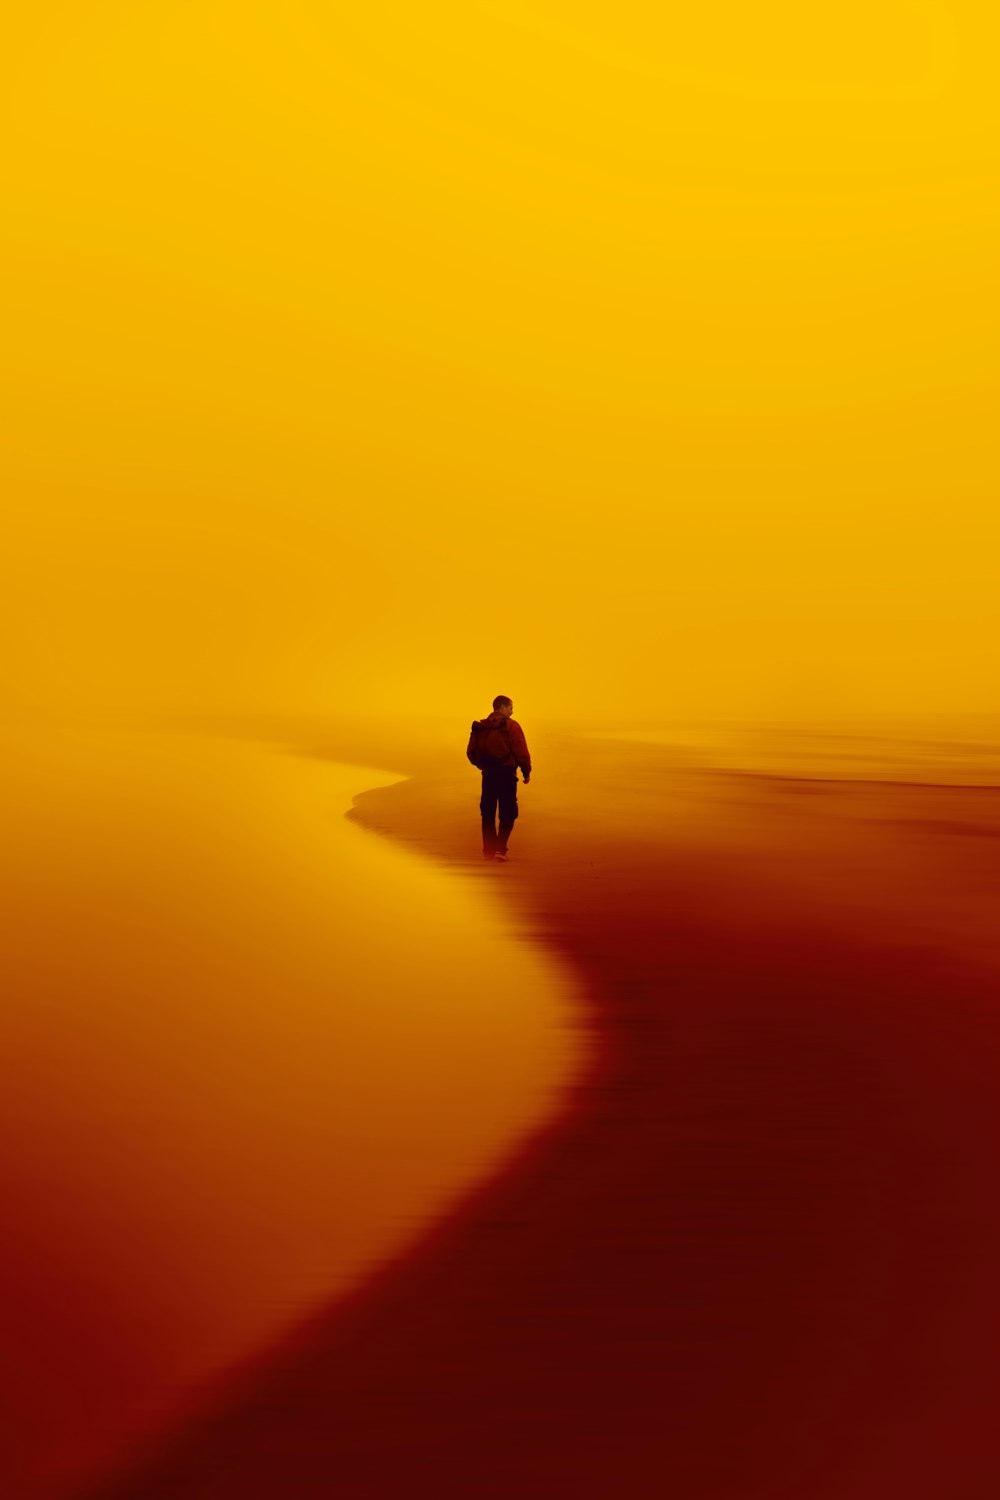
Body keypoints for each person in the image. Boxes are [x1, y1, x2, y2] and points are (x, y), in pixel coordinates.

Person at [466, 695, 532, 862]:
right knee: (508, 813)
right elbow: (521, 751)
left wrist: (481, 765)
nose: (512, 711)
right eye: (510, 707)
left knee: (487, 813)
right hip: (507, 775)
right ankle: (500, 850)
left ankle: (488, 851)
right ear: (502, 708)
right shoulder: (512, 726)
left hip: (488, 774)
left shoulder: (482, 726)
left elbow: (471, 752)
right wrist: (526, 771)